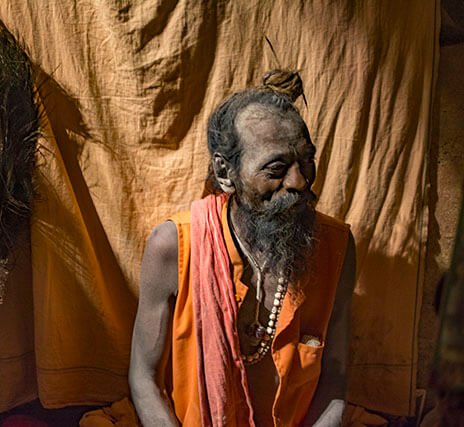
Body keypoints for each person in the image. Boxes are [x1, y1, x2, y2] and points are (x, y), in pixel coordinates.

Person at [128, 71, 356, 427]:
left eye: (306, 161)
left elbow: (335, 380)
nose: (298, 182)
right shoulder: (172, 246)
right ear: (224, 172)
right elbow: (143, 378)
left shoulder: (336, 246)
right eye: (276, 168)